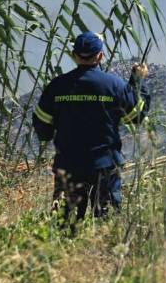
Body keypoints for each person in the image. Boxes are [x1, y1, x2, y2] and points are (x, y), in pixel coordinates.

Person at [32, 31, 149, 226]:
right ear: (100, 56)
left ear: (74, 55)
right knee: (106, 223)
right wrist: (137, 83)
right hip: (105, 166)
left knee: (64, 223)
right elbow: (136, 116)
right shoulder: (115, 85)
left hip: (68, 166)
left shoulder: (57, 86)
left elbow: (42, 126)